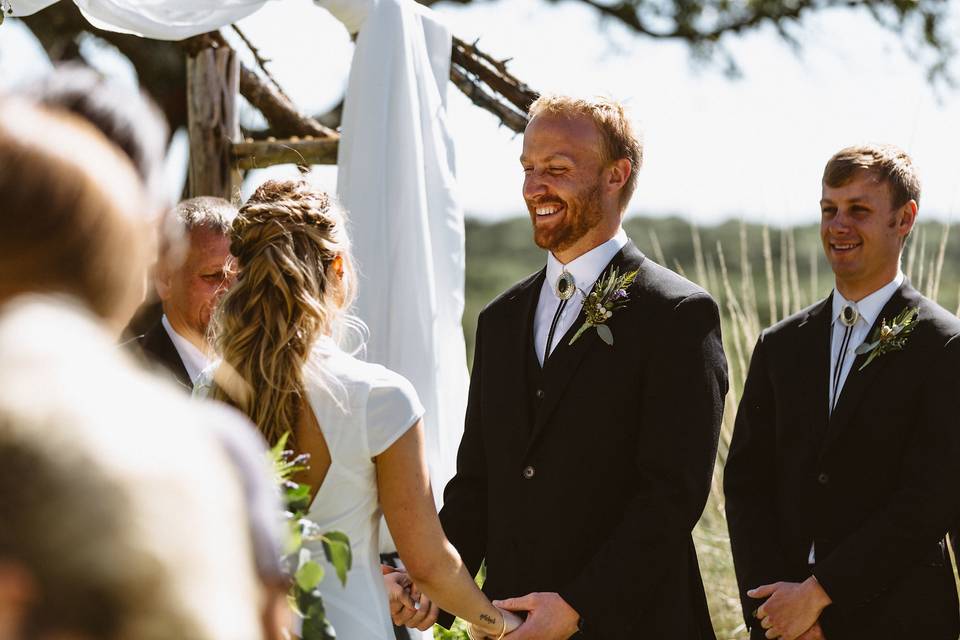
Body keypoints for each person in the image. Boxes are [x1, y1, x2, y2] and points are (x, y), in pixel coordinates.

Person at [395, 94, 727, 640]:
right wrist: (429, 582)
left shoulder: (678, 315)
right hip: (510, 627)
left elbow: (671, 496)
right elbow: (479, 483)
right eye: (528, 169)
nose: (533, 188)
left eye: (557, 170)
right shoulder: (500, 320)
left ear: (616, 175)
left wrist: (578, 606)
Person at [206, 178, 523, 640]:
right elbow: (430, 566)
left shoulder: (210, 389)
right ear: (338, 265)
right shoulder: (379, 399)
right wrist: (502, 626)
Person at [0, 99, 267, 639]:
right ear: (148, 277)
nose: (228, 293)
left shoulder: (257, 385)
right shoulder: (188, 439)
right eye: (213, 276)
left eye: (236, 278)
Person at [724, 144, 960, 640]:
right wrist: (776, 612)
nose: (838, 226)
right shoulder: (779, 345)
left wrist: (819, 593)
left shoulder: (945, 345)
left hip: (901, 620)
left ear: (904, 219)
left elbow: (930, 498)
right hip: (783, 624)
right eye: (829, 210)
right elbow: (747, 486)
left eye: (858, 210)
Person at [135, 196, 237, 389]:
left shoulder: (262, 371)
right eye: (214, 275)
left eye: (240, 277)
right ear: (165, 279)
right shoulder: (126, 374)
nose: (231, 291)